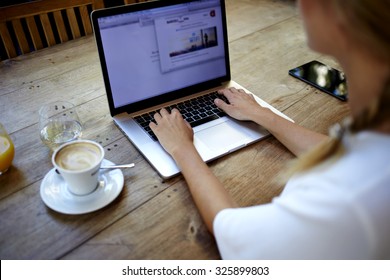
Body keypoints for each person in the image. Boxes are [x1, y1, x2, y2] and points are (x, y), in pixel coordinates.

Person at [149, 0, 390, 259]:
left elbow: (231, 231)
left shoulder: (348, 203)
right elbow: (345, 156)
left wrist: (182, 148)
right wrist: (264, 115)